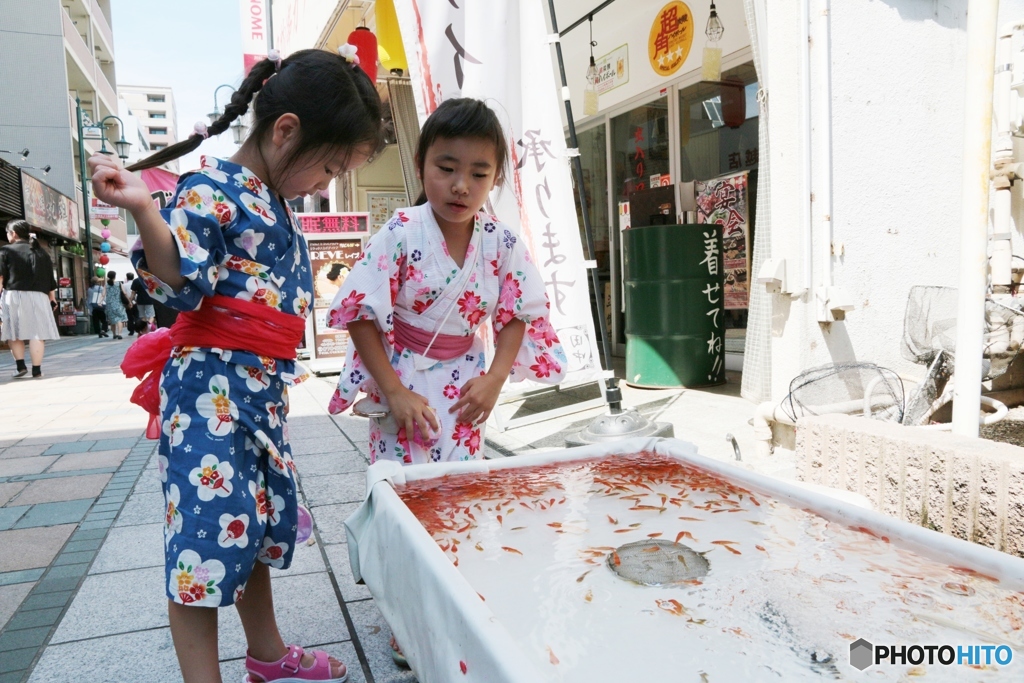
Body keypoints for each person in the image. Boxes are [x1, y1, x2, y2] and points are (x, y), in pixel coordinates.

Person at [88, 45, 383, 683]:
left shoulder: (272, 198)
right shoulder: (211, 188)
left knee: (244, 525)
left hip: (256, 393)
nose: (327, 183)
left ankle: (268, 656)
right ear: (286, 132)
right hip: (210, 397)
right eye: (329, 166)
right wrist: (143, 207)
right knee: (202, 545)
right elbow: (180, 277)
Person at [0, 220, 59, 378]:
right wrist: (52, 298)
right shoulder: (41, 252)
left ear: (13, 233)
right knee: (37, 333)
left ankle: (20, 367)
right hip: (39, 296)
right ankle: (37, 370)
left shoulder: (5, 250)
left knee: (14, 333)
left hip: (13, 295)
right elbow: (50, 279)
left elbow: (0, 278)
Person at [103, 271, 127, 339]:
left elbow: (103, 294)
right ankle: (119, 334)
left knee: (112, 320)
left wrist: (100, 301)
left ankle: (114, 334)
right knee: (119, 320)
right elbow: (124, 293)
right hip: (118, 304)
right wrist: (129, 301)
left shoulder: (106, 285)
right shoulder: (119, 283)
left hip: (109, 305)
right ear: (115, 276)